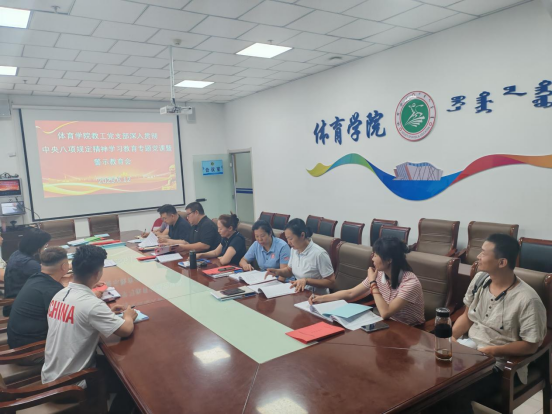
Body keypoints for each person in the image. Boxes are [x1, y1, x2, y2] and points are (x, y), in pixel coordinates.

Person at [429, 234, 547, 414]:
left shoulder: (527, 300)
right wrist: (451, 339)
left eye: (484, 253)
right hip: (469, 351)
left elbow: (531, 345)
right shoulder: (480, 279)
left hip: (499, 365)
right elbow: (468, 317)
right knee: (430, 382)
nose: (478, 256)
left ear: (502, 262)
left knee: (451, 393)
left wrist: (492, 351)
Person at [42, 244, 137, 387]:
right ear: (97, 274)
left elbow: (81, 318)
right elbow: (125, 330)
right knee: (128, 377)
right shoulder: (91, 304)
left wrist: (108, 315)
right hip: (71, 384)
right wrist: (128, 316)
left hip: (50, 375)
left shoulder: (60, 294)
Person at [309, 237, 425, 326]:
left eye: (376, 255)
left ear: (389, 260)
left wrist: (373, 282)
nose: (372, 259)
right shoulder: (380, 274)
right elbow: (351, 293)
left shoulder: (410, 282)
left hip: (411, 331)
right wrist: (322, 298)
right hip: (388, 324)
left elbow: (385, 312)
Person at [7, 247, 68, 359]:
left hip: (16, 342)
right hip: (31, 352)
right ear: (64, 266)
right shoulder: (53, 291)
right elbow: (67, 323)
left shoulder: (35, 278)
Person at [266, 218, 335, 294]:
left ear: (302, 235)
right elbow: (289, 271)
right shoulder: (294, 250)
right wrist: (277, 272)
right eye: (287, 239)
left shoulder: (319, 254)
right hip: (299, 292)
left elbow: (331, 282)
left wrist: (307, 281)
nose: (288, 242)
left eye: (291, 239)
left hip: (316, 296)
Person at [4, 228, 51, 316]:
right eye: (45, 245)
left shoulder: (17, 254)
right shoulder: (29, 264)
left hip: (14, 301)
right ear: (38, 247)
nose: (45, 247)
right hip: (19, 306)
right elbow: (49, 279)